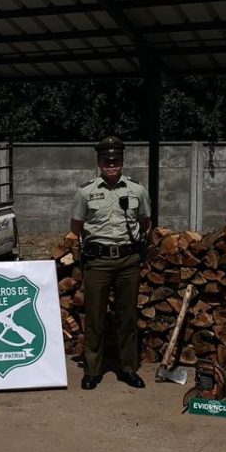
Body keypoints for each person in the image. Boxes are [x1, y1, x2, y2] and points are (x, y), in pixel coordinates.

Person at [70, 135, 152, 390]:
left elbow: (146, 222)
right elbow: (76, 227)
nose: (111, 165)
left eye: (115, 160)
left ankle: (128, 369)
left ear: (122, 162)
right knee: (95, 317)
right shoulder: (85, 192)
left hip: (128, 260)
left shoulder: (137, 190)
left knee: (127, 317)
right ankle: (93, 370)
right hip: (98, 262)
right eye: (106, 160)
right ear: (99, 162)